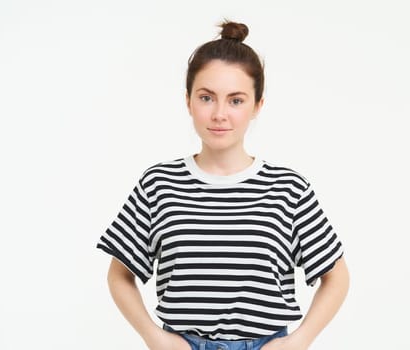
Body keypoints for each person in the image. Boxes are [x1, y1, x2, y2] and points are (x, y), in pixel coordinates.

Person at [97, 20, 349, 350]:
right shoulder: (158, 185)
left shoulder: (289, 189)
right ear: (188, 101)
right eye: (206, 97)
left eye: (236, 100)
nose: (219, 114)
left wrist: (296, 343)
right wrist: (154, 337)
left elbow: (337, 276)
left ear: (257, 105)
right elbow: (119, 274)